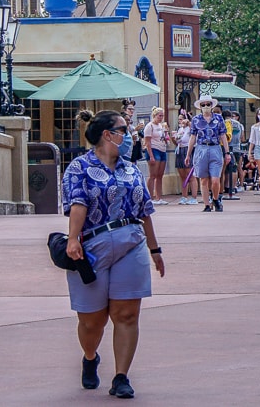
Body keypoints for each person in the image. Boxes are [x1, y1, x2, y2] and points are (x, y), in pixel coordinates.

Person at [62, 109, 165, 398]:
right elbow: (78, 205)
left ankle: (121, 377)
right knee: (92, 321)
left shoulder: (131, 168)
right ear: (108, 134)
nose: (129, 134)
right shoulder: (79, 167)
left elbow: (144, 210)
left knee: (127, 314)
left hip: (130, 243)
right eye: (124, 129)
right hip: (92, 247)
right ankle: (91, 357)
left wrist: (154, 249)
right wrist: (72, 240)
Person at [185, 95, 231, 212]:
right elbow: (192, 137)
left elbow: (223, 136)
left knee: (215, 179)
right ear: (200, 107)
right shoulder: (196, 119)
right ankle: (206, 204)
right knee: (204, 179)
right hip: (201, 149)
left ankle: (215, 199)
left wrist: (227, 152)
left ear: (212, 105)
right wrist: (188, 154)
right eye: (203, 105)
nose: (205, 107)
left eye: (208, 104)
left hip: (215, 148)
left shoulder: (218, 118)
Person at [143, 107, 172, 205]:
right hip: (154, 149)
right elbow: (147, 142)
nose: (161, 117)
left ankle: (158, 197)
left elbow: (165, 138)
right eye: (160, 116)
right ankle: (150, 197)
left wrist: (166, 134)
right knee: (153, 175)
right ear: (154, 116)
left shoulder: (161, 126)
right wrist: (151, 156)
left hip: (162, 149)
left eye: (162, 115)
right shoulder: (149, 126)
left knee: (160, 175)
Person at [173, 114, 198, 205]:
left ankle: (194, 197)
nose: (180, 121)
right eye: (179, 119)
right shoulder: (180, 129)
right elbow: (177, 141)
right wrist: (174, 138)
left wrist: (189, 123)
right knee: (183, 175)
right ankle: (184, 196)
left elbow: (194, 134)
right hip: (180, 150)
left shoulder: (190, 128)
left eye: (182, 119)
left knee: (190, 175)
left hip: (188, 150)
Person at [248, 107, 260, 195]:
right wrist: (249, 153)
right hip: (259, 148)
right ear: (257, 116)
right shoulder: (254, 127)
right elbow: (252, 141)